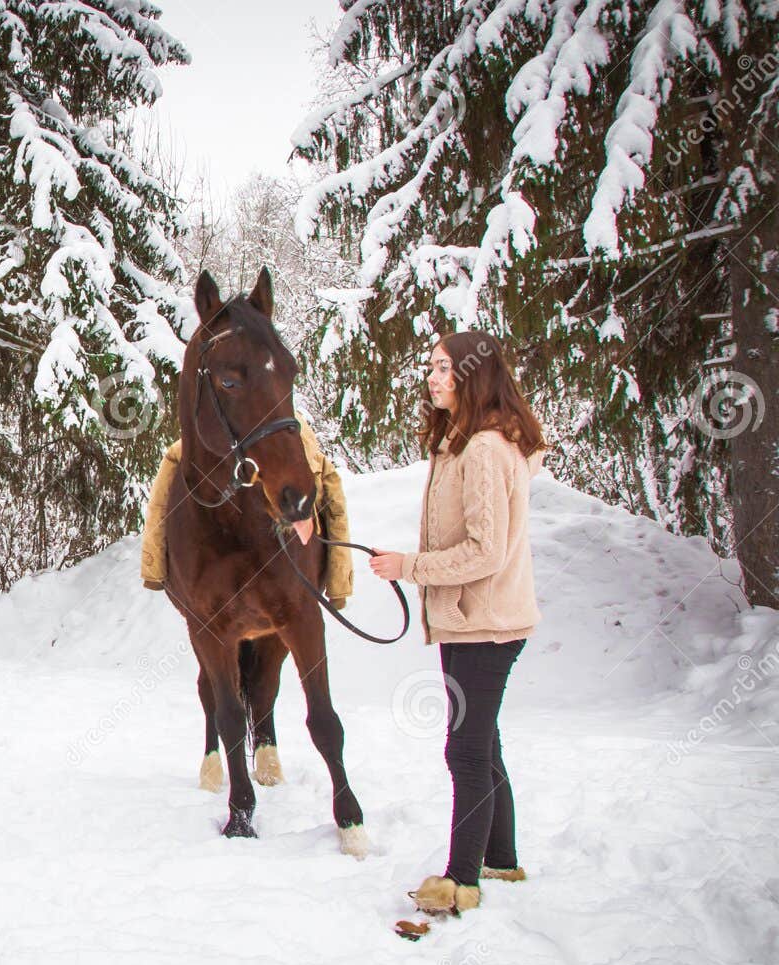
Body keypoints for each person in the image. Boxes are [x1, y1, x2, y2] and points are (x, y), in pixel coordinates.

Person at [369, 331, 548, 922]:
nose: (433, 377)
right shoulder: (465, 443)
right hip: (476, 621)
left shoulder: (486, 450)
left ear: (473, 375)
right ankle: (500, 858)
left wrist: (410, 568)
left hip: (486, 625)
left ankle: (462, 881)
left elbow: (485, 551)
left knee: (465, 751)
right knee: (484, 744)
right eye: (431, 367)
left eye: (444, 368)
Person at [140, 412, 353, 607]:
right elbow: (335, 507)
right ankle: (339, 583)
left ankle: (153, 566)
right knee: (328, 488)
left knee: (171, 462)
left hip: (241, 419)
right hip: (276, 420)